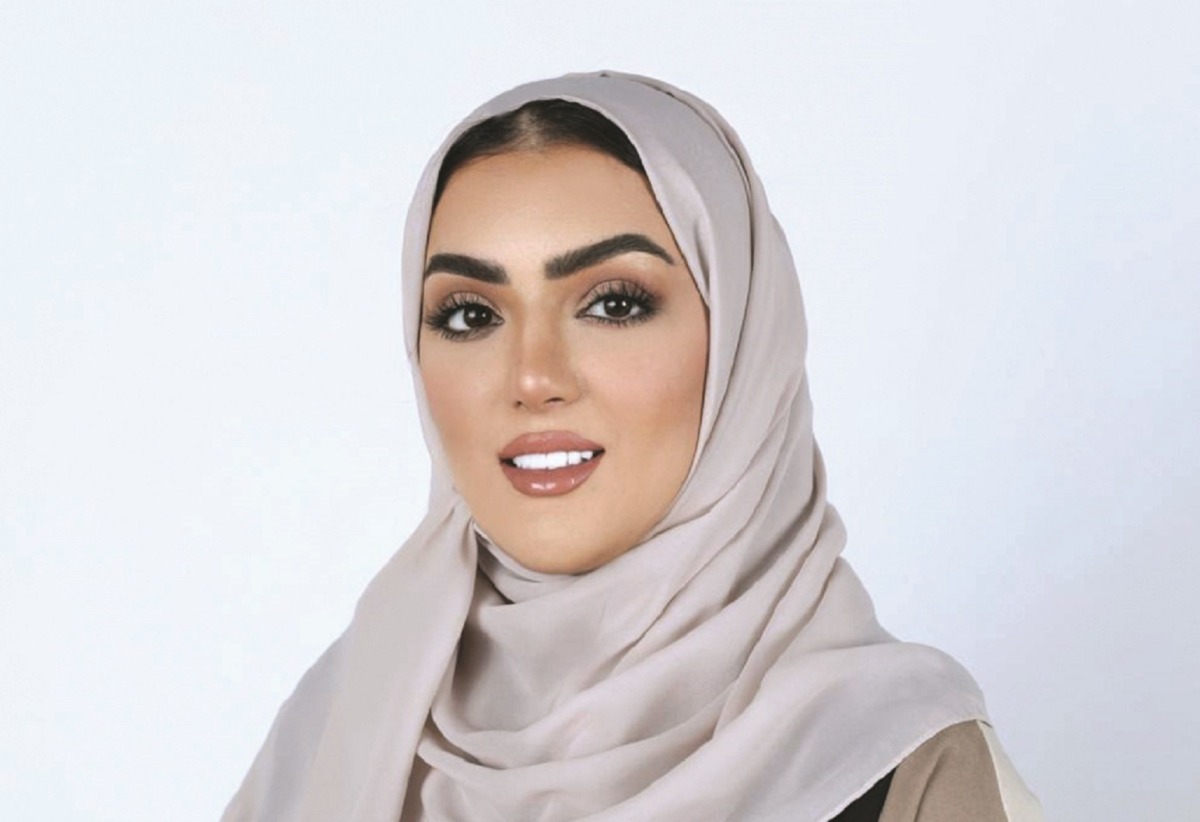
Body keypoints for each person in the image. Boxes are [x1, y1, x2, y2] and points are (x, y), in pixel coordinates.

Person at [222, 71, 1042, 821]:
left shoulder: (899, 766)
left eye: (613, 305)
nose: (533, 377)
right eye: (470, 315)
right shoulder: (341, 731)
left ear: (742, 345)